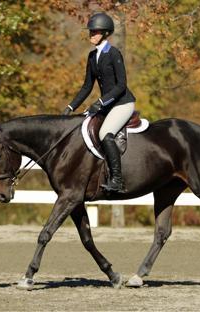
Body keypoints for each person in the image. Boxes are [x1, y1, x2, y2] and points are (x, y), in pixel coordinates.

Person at [63, 12, 136, 193]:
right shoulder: (91, 57)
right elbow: (87, 86)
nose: (91, 35)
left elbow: (121, 86)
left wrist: (100, 102)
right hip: (107, 105)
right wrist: (70, 107)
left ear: (104, 33)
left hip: (122, 103)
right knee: (83, 126)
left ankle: (117, 180)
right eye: (91, 32)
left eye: (94, 32)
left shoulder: (113, 54)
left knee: (104, 133)